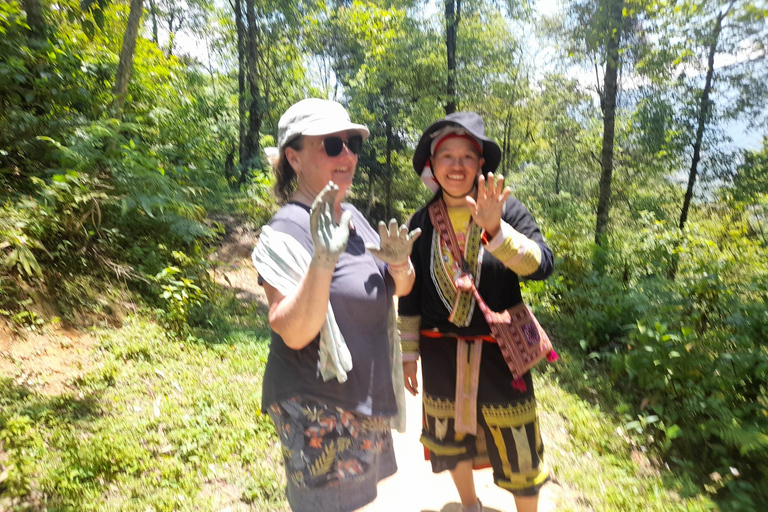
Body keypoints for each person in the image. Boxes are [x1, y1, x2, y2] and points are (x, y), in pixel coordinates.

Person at [252, 98, 421, 512]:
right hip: (318, 407)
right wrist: (322, 261)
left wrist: (401, 265)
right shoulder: (285, 231)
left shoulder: (354, 217)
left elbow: (398, 289)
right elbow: (292, 330)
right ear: (294, 157)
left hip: (362, 400)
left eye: (351, 143)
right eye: (331, 144)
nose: (347, 154)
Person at [398, 112, 554, 512]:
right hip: (440, 352)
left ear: (480, 163)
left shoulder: (507, 210)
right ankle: (469, 505)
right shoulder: (421, 223)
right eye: (446, 156)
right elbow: (411, 294)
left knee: (517, 438)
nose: (456, 165)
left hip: (501, 353)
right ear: (432, 166)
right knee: (448, 436)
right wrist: (409, 353)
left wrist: (498, 232)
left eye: (466, 156)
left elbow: (542, 266)